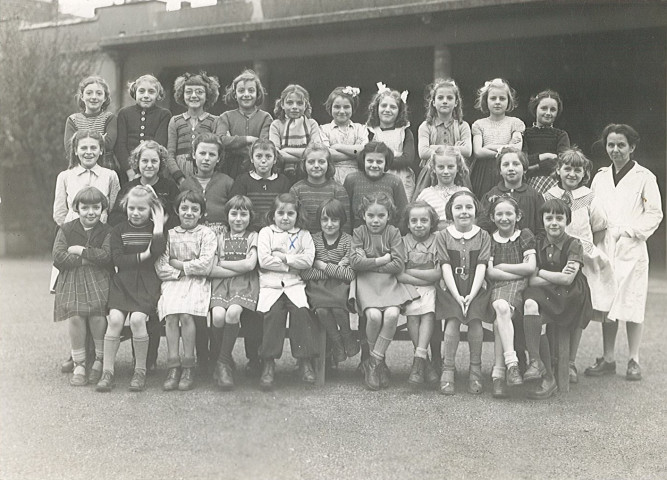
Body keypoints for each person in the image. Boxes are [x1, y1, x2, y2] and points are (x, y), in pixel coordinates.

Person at [585, 124, 663, 381]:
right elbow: (592, 210)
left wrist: (630, 232)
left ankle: (634, 359)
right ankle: (608, 358)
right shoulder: (600, 177)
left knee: (631, 300)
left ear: (632, 147)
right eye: (611, 145)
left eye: (621, 145)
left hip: (631, 247)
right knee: (608, 301)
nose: (615, 150)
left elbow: (654, 213)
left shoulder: (644, 177)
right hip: (605, 245)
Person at [544, 147, 615, 383]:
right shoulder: (549, 194)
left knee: (575, 309)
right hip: (554, 256)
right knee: (552, 306)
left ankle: (570, 362)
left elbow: (600, 227)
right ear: (558, 170)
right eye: (567, 168)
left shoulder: (589, 196)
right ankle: (552, 359)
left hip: (580, 258)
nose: (572, 173)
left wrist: (584, 249)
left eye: (578, 169)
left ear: (584, 173)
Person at [229, 138, 292, 375]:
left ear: (275, 159)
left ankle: (268, 357)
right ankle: (253, 356)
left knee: (270, 303)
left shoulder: (283, 181)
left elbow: (287, 212)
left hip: (276, 243)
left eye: (268, 157)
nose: (263, 161)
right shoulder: (243, 181)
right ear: (251, 158)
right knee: (252, 302)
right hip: (251, 242)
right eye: (259, 157)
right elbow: (237, 210)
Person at [96, 185, 166, 392]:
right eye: (132, 208)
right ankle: (107, 371)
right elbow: (118, 259)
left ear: (150, 210)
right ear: (126, 206)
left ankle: (140, 371)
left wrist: (159, 224)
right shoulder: (118, 230)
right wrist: (143, 256)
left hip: (146, 282)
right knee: (115, 319)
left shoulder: (154, 229)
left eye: (142, 209)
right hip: (122, 282)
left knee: (137, 320)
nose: (136, 213)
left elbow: (158, 250)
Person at [523, 199, 593, 399]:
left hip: (569, 295)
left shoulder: (574, 244)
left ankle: (551, 374)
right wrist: (553, 277)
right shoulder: (537, 243)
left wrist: (541, 272)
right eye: (549, 218)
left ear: (567, 221)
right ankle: (537, 363)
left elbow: (567, 279)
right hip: (546, 291)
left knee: (550, 319)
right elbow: (530, 281)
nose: (554, 222)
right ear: (542, 220)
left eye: (559, 218)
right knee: (528, 304)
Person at [349, 193, 418, 391]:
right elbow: (355, 262)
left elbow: (397, 264)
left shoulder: (393, 233)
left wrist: (368, 263)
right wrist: (381, 260)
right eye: (371, 215)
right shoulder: (360, 232)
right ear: (363, 215)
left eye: (381, 215)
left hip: (388, 282)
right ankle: (378, 363)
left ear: (389, 215)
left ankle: (374, 362)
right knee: (372, 316)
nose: (375, 220)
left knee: (392, 314)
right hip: (366, 283)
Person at [155, 190, 217, 391]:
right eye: (184, 208)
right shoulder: (170, 234)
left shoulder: (207, 234)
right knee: (172, 315)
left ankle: (189, 365)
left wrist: (179, 264)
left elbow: (206, 265)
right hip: (174, 282)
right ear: (177, 210)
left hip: (198, 283)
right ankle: (174, 365)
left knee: (187, 314)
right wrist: (182, 271)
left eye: (194, 209)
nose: (189, 213)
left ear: (201, 213)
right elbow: (162, 266)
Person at [256, 193, 318, 390]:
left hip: (294, 284)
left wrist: (283, 257)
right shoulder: (266, 233)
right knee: (273, 314)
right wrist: (292, 262)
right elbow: (264, 260)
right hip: (270, 285)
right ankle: (268, 363)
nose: (285, 217)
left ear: (297, 215)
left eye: (290, 213)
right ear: (273, 214)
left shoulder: (303, 235)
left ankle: (304, 361)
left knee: (300, 312)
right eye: (280, 213)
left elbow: (308, 260)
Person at [52, 187, 112, 386]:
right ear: (76, 208)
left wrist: (81, 251)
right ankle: (79, 363)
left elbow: (106, 256)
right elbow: (58, 256)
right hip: (73, 279)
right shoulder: (67, 229)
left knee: (96, 314)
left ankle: (99, 359)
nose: (91, 212)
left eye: (96, 207)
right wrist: (88, 259)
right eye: (85, 207)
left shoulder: (106, 231)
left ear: (103, 208)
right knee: (76, 315)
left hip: (98, 280)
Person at [436, 191, 492, 395]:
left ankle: (475, 369)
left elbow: (481, 266)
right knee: (452, 321)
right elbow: (445, 266)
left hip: (476, 286)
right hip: (451, 286)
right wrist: (457, 295)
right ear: (450, 211)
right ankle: (448, 369)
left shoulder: (483, 235)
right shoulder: (443, 235)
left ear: (476, 210)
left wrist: (471, 294)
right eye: (458, 207)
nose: (464, 212)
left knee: (475, 322)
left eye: (469, 207)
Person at [485, 196, 536, 398]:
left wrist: (503, 267)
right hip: (498, 287)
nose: (504, 218)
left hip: (520, 288)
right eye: (499, 214)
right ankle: (512, 364)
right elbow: (490, 273)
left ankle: (499, 374)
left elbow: (530, 267)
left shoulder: (524, 235)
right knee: (500, 307)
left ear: (518, 215)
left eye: (509, 213)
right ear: (492, 216)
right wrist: (520, 271)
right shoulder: (490, 239)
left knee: (500, 317)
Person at [209, 196, 259, 390]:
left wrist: (223, 263)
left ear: (250, 216)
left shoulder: (253, 236)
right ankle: (226, 359)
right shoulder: (219, 237)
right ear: (227, 216)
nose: (238, 219)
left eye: (243, 214)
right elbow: (211, 269)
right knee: (218, 316)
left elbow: (250, 264)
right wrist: (236, 267)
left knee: (233, 312)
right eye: (234, 214)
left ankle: (221, 364)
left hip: (245, 284)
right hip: (221, 283)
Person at [301, 198, 357, 366]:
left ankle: (347, 338)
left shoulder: (348, 241)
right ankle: (337, 344)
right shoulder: (313, 240)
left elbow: (349, 274)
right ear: (319, 221)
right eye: (325, 219)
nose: (329, 224)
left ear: (342, 220)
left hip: (340, 287)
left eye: (334, 219)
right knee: (323, 310)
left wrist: (323, 265)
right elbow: (305, 272)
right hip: (317, 287)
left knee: (339, 308)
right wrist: (333, 270)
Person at [397, 202, 441, 388]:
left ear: (432, 223)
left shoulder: (438, 240)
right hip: (409, 289)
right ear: (407, 223)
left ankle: (419, 360)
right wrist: (426, 277)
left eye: (424, 220)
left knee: (429, 311)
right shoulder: (403, 241)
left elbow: (437, 274)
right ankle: (423, 359)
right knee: (413, 314)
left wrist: (412, 273)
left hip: (429, 288)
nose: (419, 224)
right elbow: (399, 273)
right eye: (413, 220)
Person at [415, 78, 472, 199]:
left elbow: (467, 150)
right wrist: (455, 149)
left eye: (450, 98)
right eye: (440, 98)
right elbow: (423, 152)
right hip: (431, 173)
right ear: (433, 102)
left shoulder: (462, 126)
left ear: (456, 102)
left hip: (457, 173)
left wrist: (434, 147)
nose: (445, 101)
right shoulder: (426, 126)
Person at [470, 78, 525, 198]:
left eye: (502, 98)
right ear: (486, 100)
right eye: (493, 98)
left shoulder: (515, 123)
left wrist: (489, 147)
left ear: (509, 101)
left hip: (507, 168)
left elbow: (516, 149)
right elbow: (478, 152)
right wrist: (506, 147)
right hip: (484, 172)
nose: (498, 102)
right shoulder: (479, 124)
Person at [54, 130, 120, 228]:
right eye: (83, 148)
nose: (89, 152)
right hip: (72, 234)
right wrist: (69, 232)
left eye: (93, 148)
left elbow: (114, 211)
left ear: (101, 150)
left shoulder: (110, 176)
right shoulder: (65, 176)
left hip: (101, 235)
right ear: (76, 150)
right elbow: (59, 213)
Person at [109, 140, 180, 230]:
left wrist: (160, 222)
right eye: (145, 161)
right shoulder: (128, 188)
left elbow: (178, 215)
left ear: (160, 162)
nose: (149, 165)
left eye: (154, 161)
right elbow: (114, 218)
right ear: (137, 162)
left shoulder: (170, 187)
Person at [215, 69, 272, 179]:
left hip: (257, 169)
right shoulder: (225, 117)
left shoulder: (265, 118)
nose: (246, 94)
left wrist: (231, 146)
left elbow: (263, 145)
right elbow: (220, 141)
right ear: (235, 94)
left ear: (257, 93)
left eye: (251, 91)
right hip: (229, 169)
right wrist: (248, 139)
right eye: (241, 91)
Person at [114, 74, 171, 184]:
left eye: (151, 92)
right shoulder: (124, 113)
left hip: (152, 171)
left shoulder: (164, 115)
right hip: (128, 173)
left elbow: (159, 144)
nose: (146, 95)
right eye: (141, 91)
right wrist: (130, 171)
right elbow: (120, 145)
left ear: (158, 95)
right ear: (134, 93)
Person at [166, 71, 220, 185]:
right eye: (189, 92)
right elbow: (170, 155)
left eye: (199, 92)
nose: (194, 96)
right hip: (179, 179)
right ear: (182, 94)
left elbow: (218, 152)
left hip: (206, 178)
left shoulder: (215, 121)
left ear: (207, 95)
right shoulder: (175, 121)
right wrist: (180, 179)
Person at [478, 147, 544, 236]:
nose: (511, 168)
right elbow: (483, 228)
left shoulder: (535, 197)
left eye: (516, 164)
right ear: (500, 171)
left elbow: (541, 229)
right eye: (506, 165)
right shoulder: (490, 196)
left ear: (524, 169)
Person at [366, 83, 416, 200]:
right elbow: (365, 157)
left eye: (393, 107)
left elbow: (407, 159)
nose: (387, 110)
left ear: (399, 111)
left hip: (401, 178)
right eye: (383, 106)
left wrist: (380, 160)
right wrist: (396, 155)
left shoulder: (405, 132)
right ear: (376, 108)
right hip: (376, 177)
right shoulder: (370, 132)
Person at [343, 141, 408, 230]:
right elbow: (345, 213)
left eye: (379, 162)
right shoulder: (351, 180)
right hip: (358, 238)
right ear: (363, 160)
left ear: (386, 162)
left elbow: (403, 215)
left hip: (387, 238)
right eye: (370, 161)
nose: (374, 165)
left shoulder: (395, 182)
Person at [289, 142, 350, 233]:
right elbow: (292, 221)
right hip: (303, 242)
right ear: (303, 164)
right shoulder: (296, 190)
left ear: (328, 164)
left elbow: (346, 224)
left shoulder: (338, 190)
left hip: (332, 243)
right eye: (311, 162)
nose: (316, 165)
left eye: (321, 162)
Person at [64, 75, 118, 174]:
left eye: (99, 93)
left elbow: (109, 144)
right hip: (79, 170)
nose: (94, 97)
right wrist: (100, 139)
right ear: (82, 97)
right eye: (89, 93)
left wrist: (81, 142)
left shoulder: (110, 118)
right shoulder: (73, 120)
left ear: (105, 97)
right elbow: (70, 148)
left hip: (105, 169)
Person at [269, 84, 322, 181]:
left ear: (305, 105)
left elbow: (316, 151)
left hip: (309, 173)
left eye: (299, 103)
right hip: (282, 174)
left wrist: (286, 151)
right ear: (282, 104)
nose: (294, 107)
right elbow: (275, 154)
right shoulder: (276, 125)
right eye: (289, 103)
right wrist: (305, 156)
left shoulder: (312, 124)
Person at [523, 90, 571, 193]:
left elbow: (562, 163)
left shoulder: (561, 135)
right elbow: (523, 161)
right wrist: (546, 156)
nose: (548, 113)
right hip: (528, 184)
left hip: (554, 182)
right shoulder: (525, 134)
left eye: (553, 109)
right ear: (535, 108)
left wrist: (535, 167)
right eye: (544, 108)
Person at [320, 86, 368, 184]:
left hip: (357, 177)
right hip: (331, 177)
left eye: (346, 107)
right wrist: (354, 153)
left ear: (352, 108)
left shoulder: (360, 128)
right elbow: (326, 154)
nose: (342, 111)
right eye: (337, 107)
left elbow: (363, 151)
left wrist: (338, 147)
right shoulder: (323, 129)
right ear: (330, 107)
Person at [415, 146, 470, 230]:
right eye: (441, 167)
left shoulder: (465, 193)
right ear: (433, 168)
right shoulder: (426, 195)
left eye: (450, 167)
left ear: (458, 168)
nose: (446, 171)